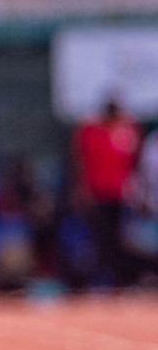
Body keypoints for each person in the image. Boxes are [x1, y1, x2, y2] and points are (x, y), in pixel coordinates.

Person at [73, 99, 141, 287]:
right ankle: (102, 279)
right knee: (100, 239)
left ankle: (118, 279)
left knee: (118, 240)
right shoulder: (96, 134)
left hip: (118, 196)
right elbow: (81, 158)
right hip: (99, 195)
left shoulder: (122, 135)